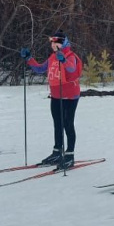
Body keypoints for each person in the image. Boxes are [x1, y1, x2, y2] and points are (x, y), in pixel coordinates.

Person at [22, 30, 83, 170]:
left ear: (62, 43)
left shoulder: (69, 56)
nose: (52, 45)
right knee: (57, 124)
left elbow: (72, 69)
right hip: (56, 95)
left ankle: (70, 155)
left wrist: (64, 60)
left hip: (69, 95)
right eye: (52, 42)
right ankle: (57, 152)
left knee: (68, 123)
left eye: (55, 42)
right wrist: (29, 58)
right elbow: (39, 69)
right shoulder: (52, 58)